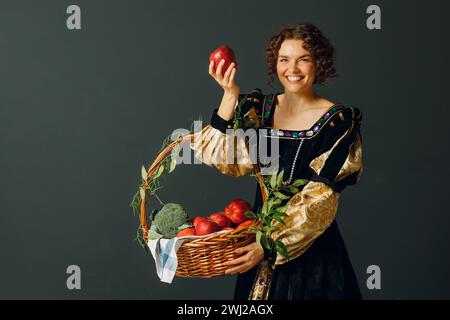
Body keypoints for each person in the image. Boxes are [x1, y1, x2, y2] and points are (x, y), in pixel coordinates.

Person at [190, 22, 363, 300]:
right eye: (284, 60)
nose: (292, 69)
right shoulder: (259, 111)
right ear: (275, 63)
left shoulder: (338, 122)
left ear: (319, 63)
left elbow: (322, 199)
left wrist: (269, 246)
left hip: (314, 255)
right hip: (256, 245)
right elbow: (218, 156)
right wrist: (230, 95)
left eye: (303, 60)